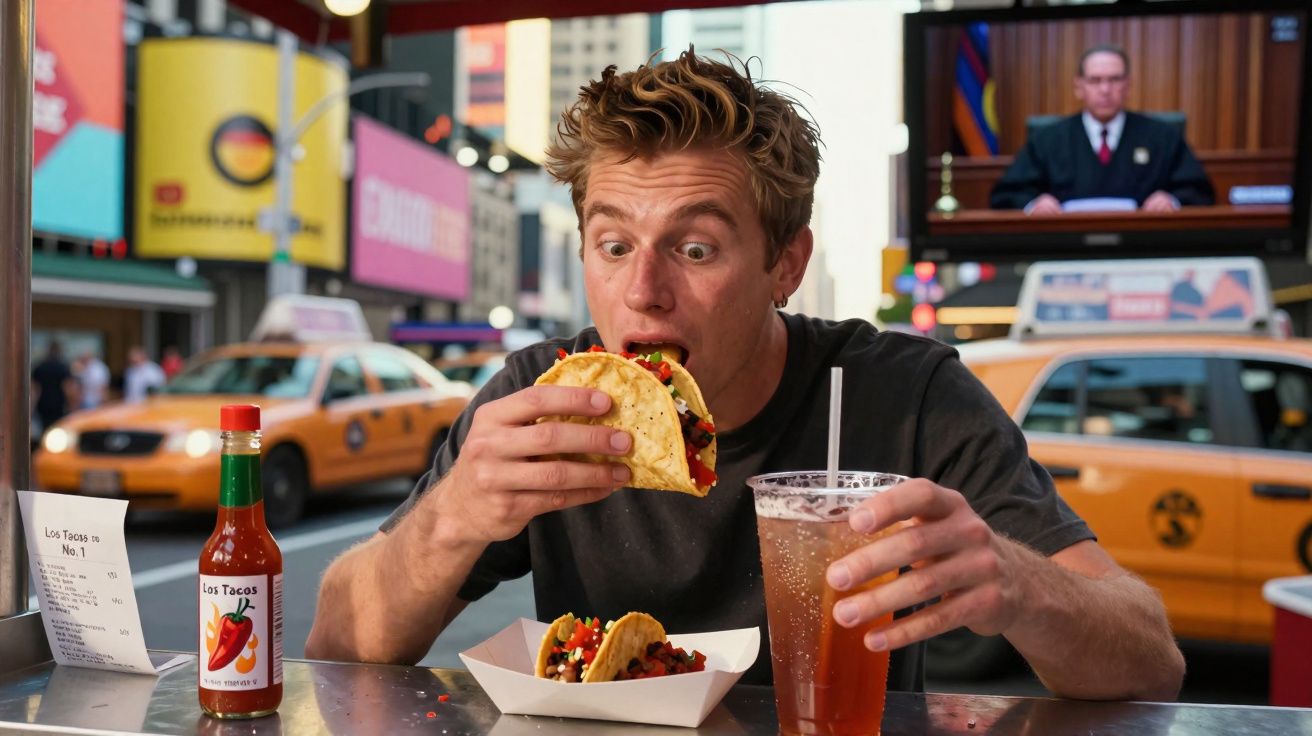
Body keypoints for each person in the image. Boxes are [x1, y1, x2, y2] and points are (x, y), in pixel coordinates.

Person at [306, 49, 1184, 701]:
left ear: (784, 264)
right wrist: (454, 515)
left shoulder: (903, 394)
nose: (643, 293)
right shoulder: (542, 400)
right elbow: (338, 644)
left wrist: (1015, 581)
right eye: (614, 246)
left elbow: (1150, 658)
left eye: (695, 248)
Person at [989, 44, 1214, 214]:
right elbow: (1006, 195)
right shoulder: (1047, 139)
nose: (1105, 89)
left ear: (1127, 86)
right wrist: (1034, 204)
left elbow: (1199, 191)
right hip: (1065, 248)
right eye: (1095, 80)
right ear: (1079, 87)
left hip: (1143, 248)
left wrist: (1172, 200)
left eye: (1114, 80)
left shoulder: (1162, 136)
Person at [31, 341, 73, 434]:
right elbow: (67, 388)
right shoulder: (63, 367)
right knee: (57, 428)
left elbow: (35, 389)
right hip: (58, 403)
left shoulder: (40, 366)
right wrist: (71, 405)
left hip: (43, 403)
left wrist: (32, 407)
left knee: (44, 429)